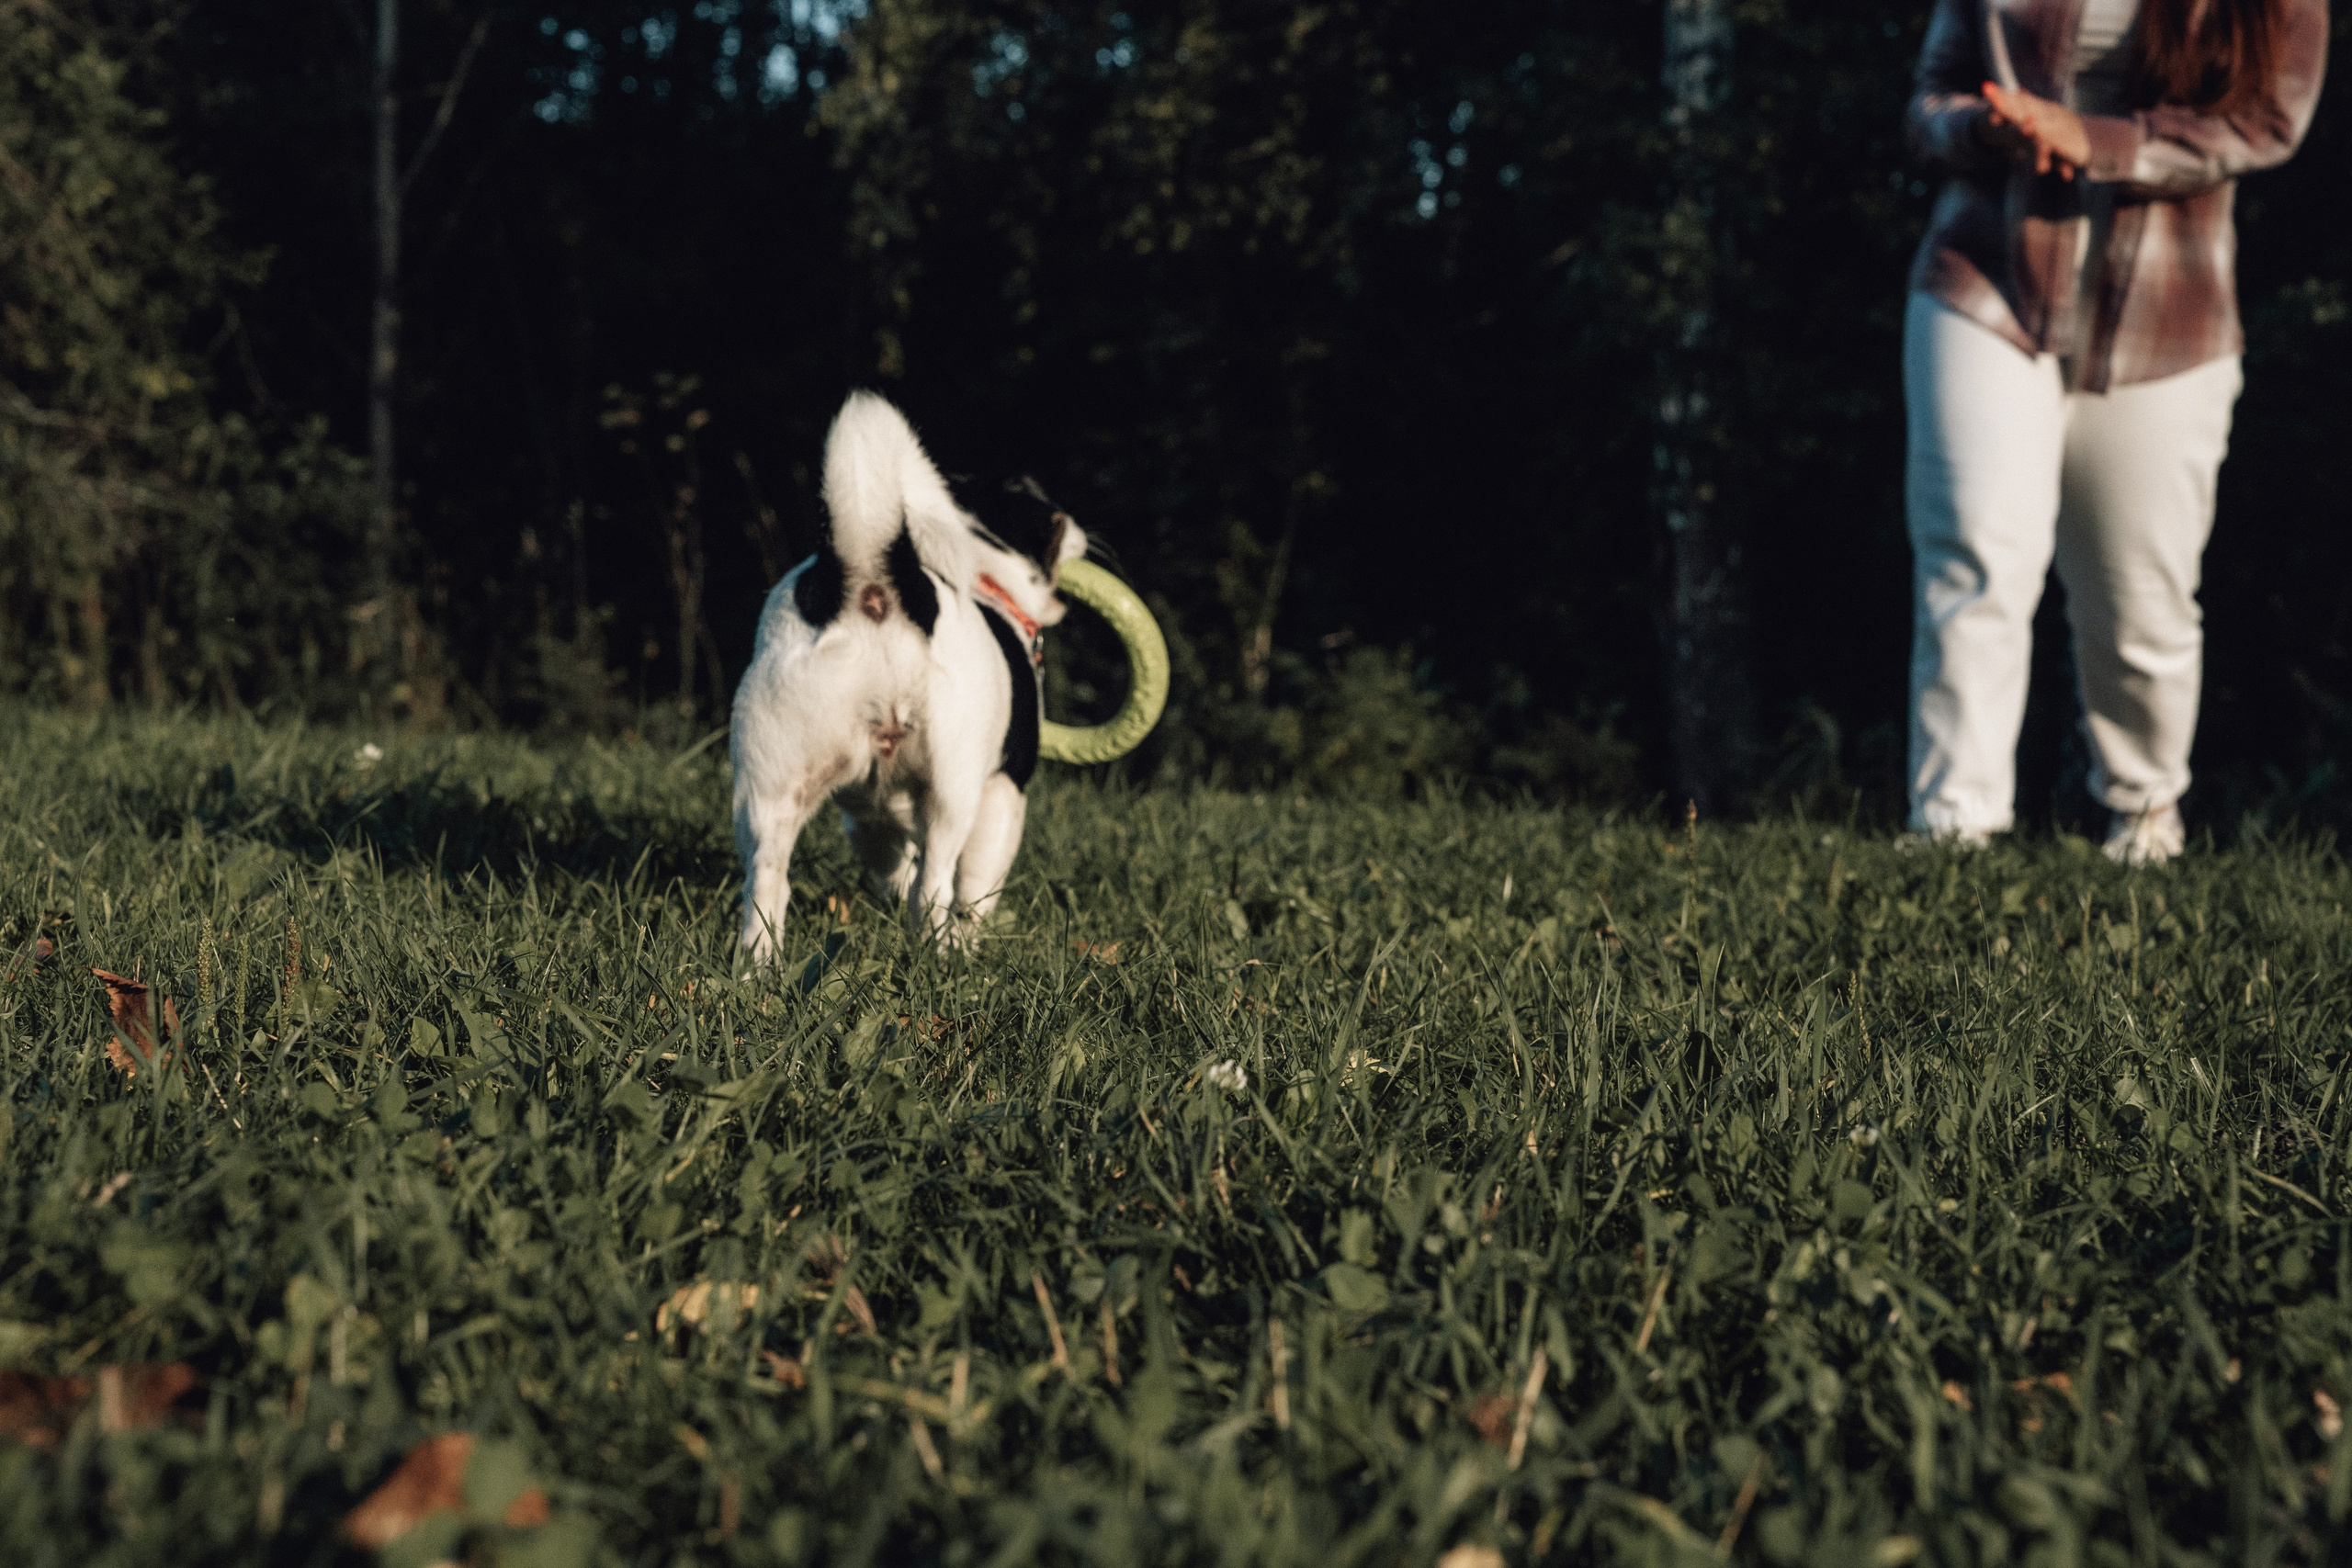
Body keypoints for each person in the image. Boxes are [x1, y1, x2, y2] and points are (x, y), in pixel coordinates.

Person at [1902, 0, 2328, 862]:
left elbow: (2269, 119)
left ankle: (2143, 822)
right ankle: (1953, 833)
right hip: (1987, 281)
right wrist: (1987, 129)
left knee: (2141, 600)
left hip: (2172, 320)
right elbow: (1928, 100)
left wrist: (2094, 140)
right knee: (1976, 555)